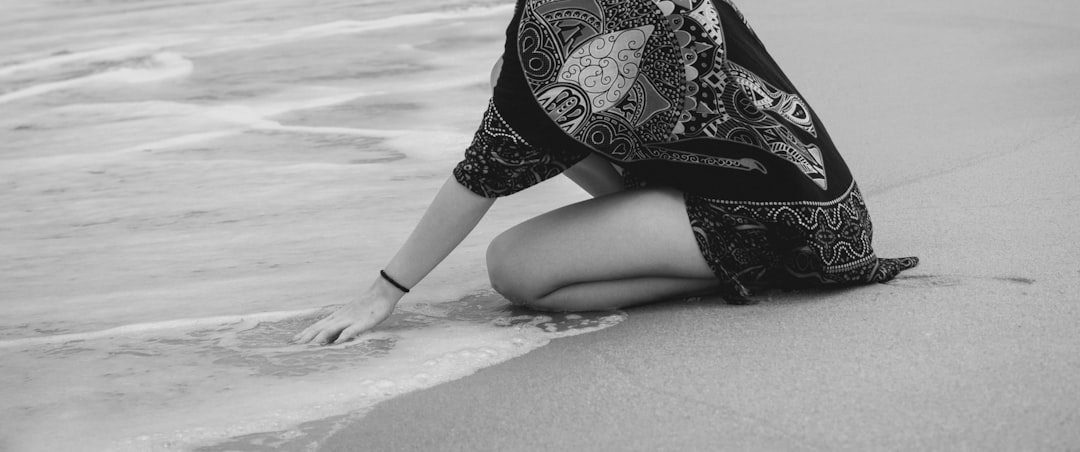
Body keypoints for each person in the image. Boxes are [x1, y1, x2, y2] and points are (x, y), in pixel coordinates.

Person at [293, 0, 918, 345]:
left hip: (780, 212)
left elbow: (485, 169)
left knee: (516, 269)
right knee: (512, 88)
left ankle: (754, 263)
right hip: (805, 191)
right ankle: (708, 252)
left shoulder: (570, 13)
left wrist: (384, 293)